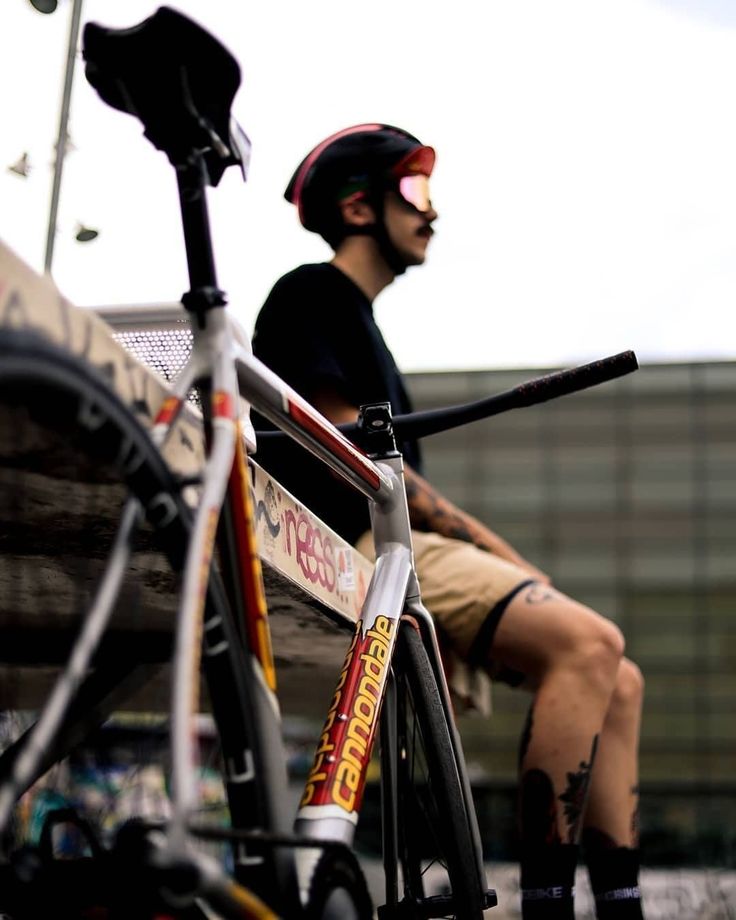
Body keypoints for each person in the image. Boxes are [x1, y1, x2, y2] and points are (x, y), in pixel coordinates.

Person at [251, 123, 645, 920]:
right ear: (360, 205)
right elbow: (351, 454)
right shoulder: (312, 294)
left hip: (397, 544)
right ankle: (546, 907)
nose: (431, 214)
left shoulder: (359, 320)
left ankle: (622, 903)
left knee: (620, 679)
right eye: (417, 191)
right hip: (355, 542)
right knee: (589, 643)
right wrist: (504, 553)